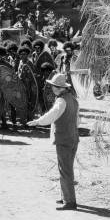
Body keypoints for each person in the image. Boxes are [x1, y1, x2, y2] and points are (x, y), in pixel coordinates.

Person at [27, 73, 79, 210]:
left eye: (54, 86)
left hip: (64, 138)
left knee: (65, 170)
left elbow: (52, 115)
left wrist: (38, 122)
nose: (52, 88)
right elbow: (76, 120)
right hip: (73, 137)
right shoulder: (72, 99)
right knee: (66, 168)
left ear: (59, 88)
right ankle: (65, 197)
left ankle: (70, 201)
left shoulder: (61, 101)